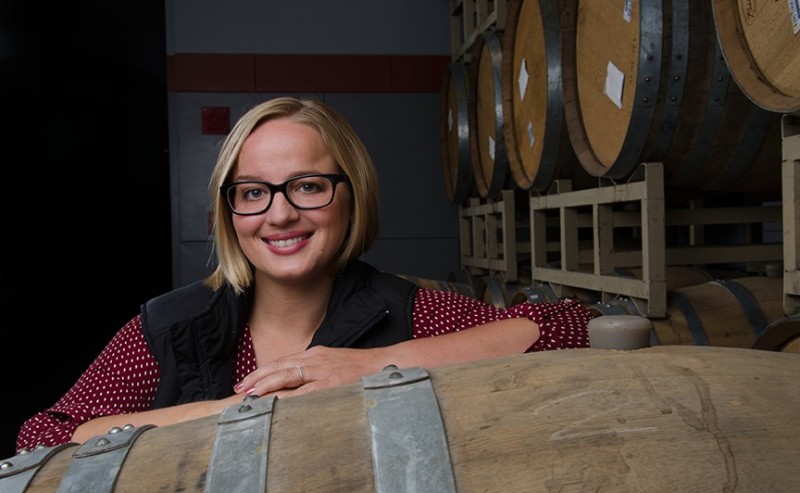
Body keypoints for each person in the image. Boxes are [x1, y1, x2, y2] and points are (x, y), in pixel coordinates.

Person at [16, 96, 592, 451]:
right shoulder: (172, 326)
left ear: (351, 194)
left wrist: (370, 367)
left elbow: (575, 327)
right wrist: (241, 413)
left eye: (308, 186)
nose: (280, 213)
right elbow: (44, 436)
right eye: (253, 192)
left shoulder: (404, 311)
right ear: (230, 210)